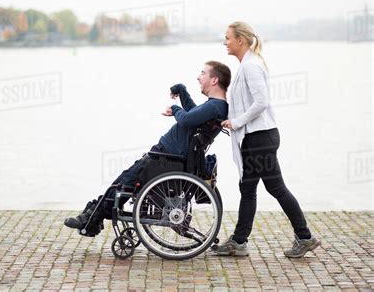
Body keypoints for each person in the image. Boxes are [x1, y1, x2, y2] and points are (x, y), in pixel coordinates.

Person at [64, 61, 231, 236]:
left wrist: (175, 108)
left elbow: (187, 119)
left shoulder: (215, 106)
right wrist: (182, 91)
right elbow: (193, 113)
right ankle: (92, 217)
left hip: (166, 158)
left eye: (203, 73)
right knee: (124, 181)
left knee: (125, 182)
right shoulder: (215, 105)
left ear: (214, 80)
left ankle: (92, 219)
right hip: (167, 155)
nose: (199, 76)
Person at [213, 21, 321, 258]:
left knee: (276, 188)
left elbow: (261, 103)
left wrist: (237, 121)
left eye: (228, 38)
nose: (225, 42)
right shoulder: (247, 64)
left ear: (240, 40)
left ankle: (305, 237)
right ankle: (239, 242)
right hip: (256, 139)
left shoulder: (251, 66)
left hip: (260, 138)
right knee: (248, 189)